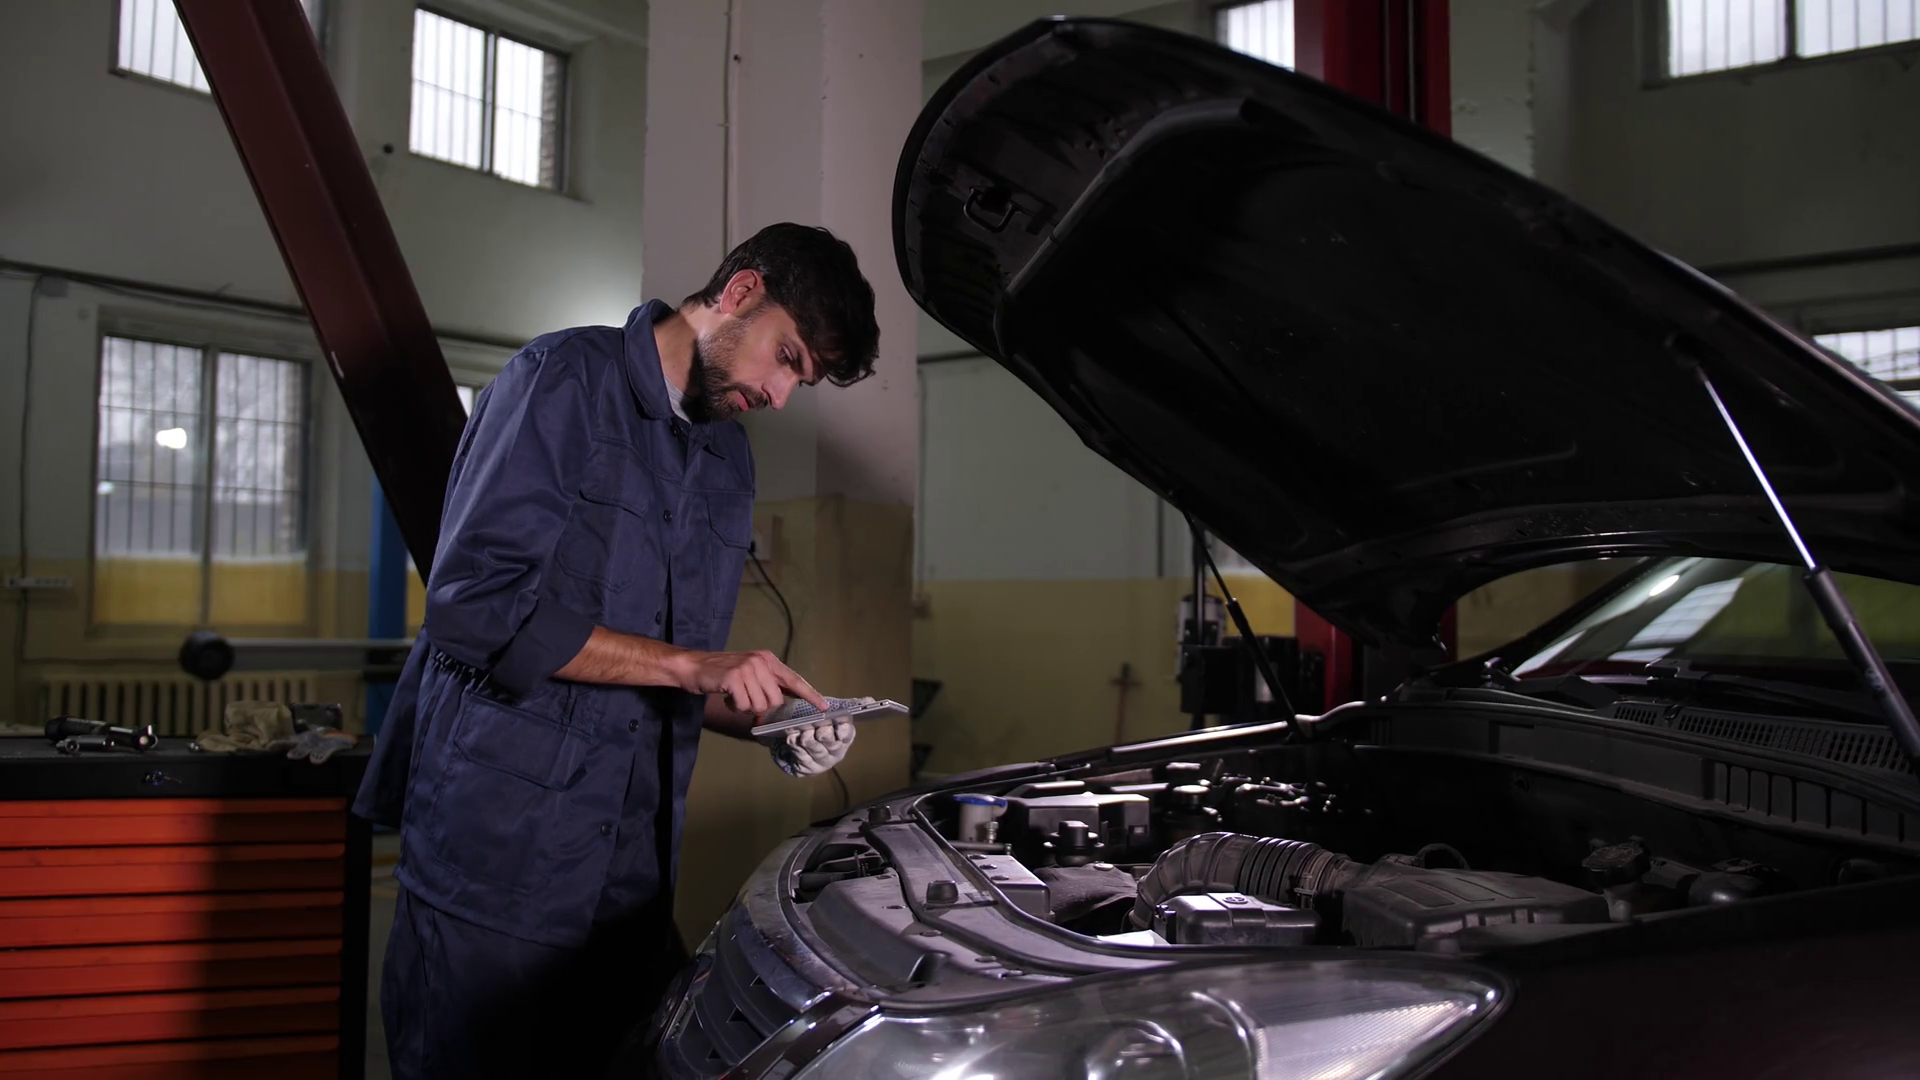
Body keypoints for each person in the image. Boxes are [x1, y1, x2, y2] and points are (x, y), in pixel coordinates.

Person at [351, 222, 881, 1079]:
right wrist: (690, 666)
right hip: (498, 859)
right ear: (740, 294)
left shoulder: (724, 460)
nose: (781, 395)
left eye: (802, 380)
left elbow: (663, 667)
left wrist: (772, 718)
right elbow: (474, 607)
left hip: (628, 872)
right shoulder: (560, 382)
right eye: (785, 357)